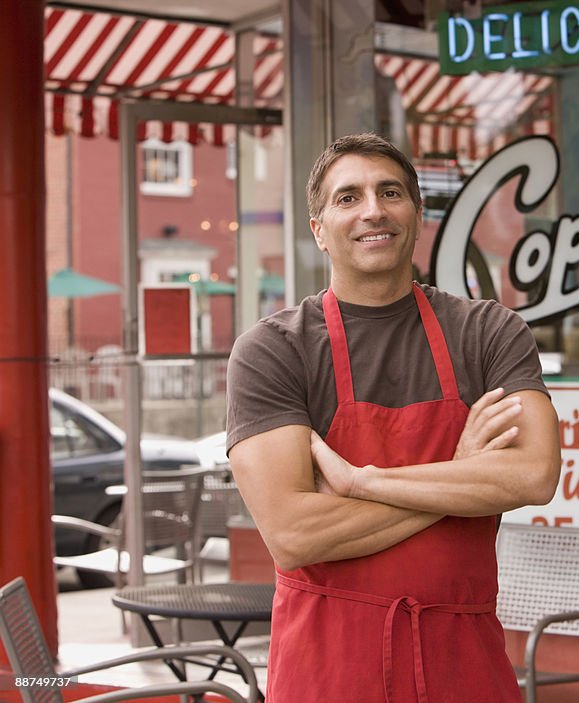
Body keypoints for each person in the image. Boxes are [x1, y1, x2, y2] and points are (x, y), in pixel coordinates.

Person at [225, 133, 561, 702]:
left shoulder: (487, 332)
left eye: (390, 192)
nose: (373, 210)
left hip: (465, 664)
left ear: (417, 214)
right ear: (319, 230)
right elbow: (294, 534)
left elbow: (533, 476)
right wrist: (460, 473)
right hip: (328, 670)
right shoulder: (275, 350)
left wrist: (361, 482)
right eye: (348, 198)